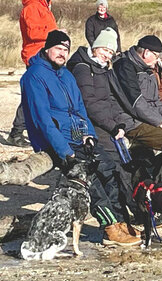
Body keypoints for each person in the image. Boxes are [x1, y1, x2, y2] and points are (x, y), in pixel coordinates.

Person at [21, 30, 141, 246]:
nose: (62, 54)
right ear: (47, 48)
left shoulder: (66, 75)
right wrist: (66, 152)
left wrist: (88, 136)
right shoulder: (34, 76)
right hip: (55, 141)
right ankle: (109, 227)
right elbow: (43, 120)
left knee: (108, 169)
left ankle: (120, 220)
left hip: (76, 136)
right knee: (90, 179)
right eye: (58, 48)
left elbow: (79, 109)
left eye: (66, 50)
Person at [111, 35, 162, 185]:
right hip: (131, 122)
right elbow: (135, 103)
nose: (157, 62)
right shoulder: (124, 66)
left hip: (145, 118)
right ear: (146, 52)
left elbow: (156, 101)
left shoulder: (146, 69)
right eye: (156, 56)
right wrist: (161, 121)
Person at [9, 0, 60, 147]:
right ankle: (17, 132)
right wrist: (55, 33)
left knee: (44, 94)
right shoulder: (32, 7)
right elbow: (33, 33)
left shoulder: (43, 6)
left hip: (42, 55)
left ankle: (34, 131)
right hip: (35, 55)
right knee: (34, 94)